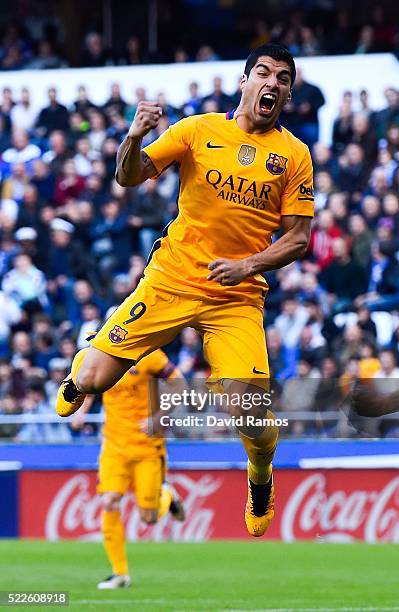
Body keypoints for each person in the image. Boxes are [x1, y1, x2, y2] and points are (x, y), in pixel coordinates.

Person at [56, 43, 314, 538]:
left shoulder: (295, 155)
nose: (273, 82)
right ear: (244, 82)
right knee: (90, 383)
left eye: (283, 78)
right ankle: (77, 374)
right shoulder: (197, 130)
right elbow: (128, 177)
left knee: (252, 417)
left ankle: (260, 478)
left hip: (236, 297)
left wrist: (247, 265)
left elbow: (299, 239)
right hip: (172, 278)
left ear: (286, 92)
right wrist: (133, 136)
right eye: (263, 72)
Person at [71, 346, 185, 589]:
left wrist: (157, 419)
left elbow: (181, 386)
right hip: (114, 446)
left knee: (149, 518)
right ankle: (120, 573)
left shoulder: (151, 356)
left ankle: (168, 496)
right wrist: (81, 411)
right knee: (109, 501)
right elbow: (89, 383)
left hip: (147, 448)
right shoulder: (100, 357)